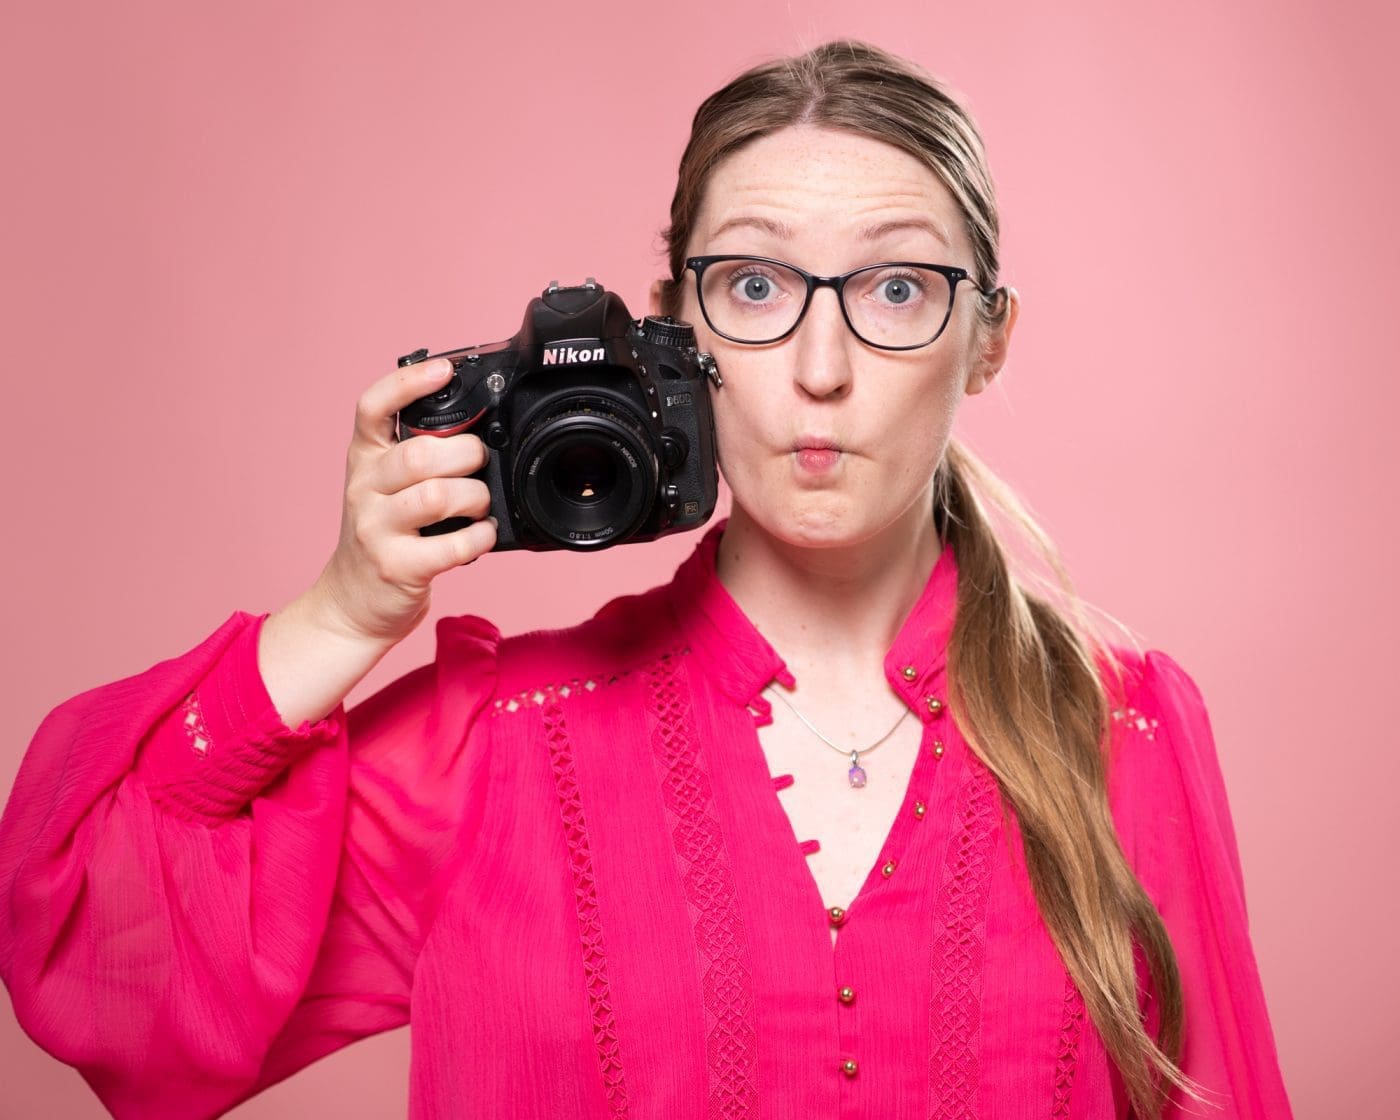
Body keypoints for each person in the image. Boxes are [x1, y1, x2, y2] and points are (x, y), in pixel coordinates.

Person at [0, 38, 1293, 1120]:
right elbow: (92, 945)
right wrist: (344, 613)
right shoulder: (493, 749)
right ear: (678, 324)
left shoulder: (1121, 725)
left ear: (988, 337)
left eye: (898, 288)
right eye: (754, 285)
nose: (823, 367)